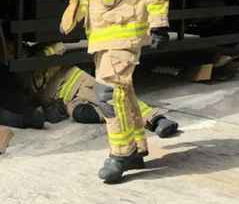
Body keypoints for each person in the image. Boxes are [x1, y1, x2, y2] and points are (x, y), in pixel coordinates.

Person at [59, 0, 171, 183]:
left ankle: (120, 154)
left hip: (125, 36)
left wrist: (159, 25)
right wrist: (76, 7)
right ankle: (135, 149)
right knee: (123, 94)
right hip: (101, 39)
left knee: (107, 93)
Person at [22, 42, 179, 136]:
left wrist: (42, 56)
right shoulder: (26, 82)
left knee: (114, 100)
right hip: (69, 102)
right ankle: (110, 118)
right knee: (82, 114)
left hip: (81, 84)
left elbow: (59, 46)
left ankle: (157, 119)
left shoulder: (40, 54)